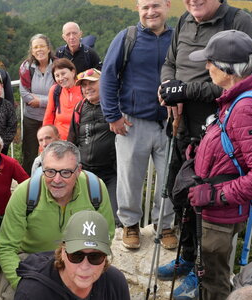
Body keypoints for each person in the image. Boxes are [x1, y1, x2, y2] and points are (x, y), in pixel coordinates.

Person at [156, 0, 252, 297]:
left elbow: (245, 79)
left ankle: (202, 273)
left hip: (219, 136)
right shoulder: (184, 21)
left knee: (209, 208)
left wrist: (186, 90)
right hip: (183, 128)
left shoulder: (239, 22)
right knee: (184, 199)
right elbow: (170, 62)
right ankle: (187, 257)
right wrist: (168, 86)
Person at [186, 30, 252, 299]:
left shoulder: (246, 107)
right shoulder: (239, 95)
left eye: (211, 62)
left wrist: (216, 194)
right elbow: (234, 147)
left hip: (220, 214)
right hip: (218, 211)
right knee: (211, 272)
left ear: (229, 69)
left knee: (214, 279)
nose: (206, 67)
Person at [0, 141, 115, 299]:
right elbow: (7, 248)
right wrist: (28, 287)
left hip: (79, 258)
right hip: (34, 260)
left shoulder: (95, 190)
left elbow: (106, 236)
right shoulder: (25, 193)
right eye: (50, 171)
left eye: (66, 172)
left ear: (78, 170)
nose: (57, 180)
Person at [100, 0, 175, 249]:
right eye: (145, 7)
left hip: (169, 123)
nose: (150, 12)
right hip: (132, 122)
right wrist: (112, 116)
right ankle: (130, 225)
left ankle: (164, 226)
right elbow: (108, 76)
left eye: (156, 5)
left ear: (167, 6)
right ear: (138, 9)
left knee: (169, 178)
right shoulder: (127, 37)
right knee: (130, 178)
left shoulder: (178, 39)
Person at [15, 210, 130, 299]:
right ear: (63, 253)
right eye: (76, 256)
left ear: (105, 258)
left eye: (95, 257)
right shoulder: (33, 293)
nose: (85, 266)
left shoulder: (114, 283)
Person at [68, 68, 119, 225]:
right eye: (83, 85)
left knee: (114, 219)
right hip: (85, 173)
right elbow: (72, 139)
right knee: (81, 218)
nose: (87, 88)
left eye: (91, 83)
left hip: (112, 173)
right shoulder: (79, 108)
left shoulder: (115, 104)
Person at [19, 33, 56, 175]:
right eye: (36, 47)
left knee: (52, 152)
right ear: (32, 50)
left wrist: (40, 101)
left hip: (51, 119)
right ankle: (28, 184)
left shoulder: (57, 66)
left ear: (48, 48)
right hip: (31, 119)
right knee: (29, 154)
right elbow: (25, 94)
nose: (39, 50)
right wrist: (48, 98)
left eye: (42, 46)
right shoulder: (26, 68)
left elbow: (59, 92)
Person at [42, 58, 83, 141]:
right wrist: (44, 141)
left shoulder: (83, 88)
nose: (61, 78)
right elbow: (48, 118)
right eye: (57, 76)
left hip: (81, 140)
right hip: (60, 142)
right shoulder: (55, 91)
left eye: (63, 73)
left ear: (73, 72)